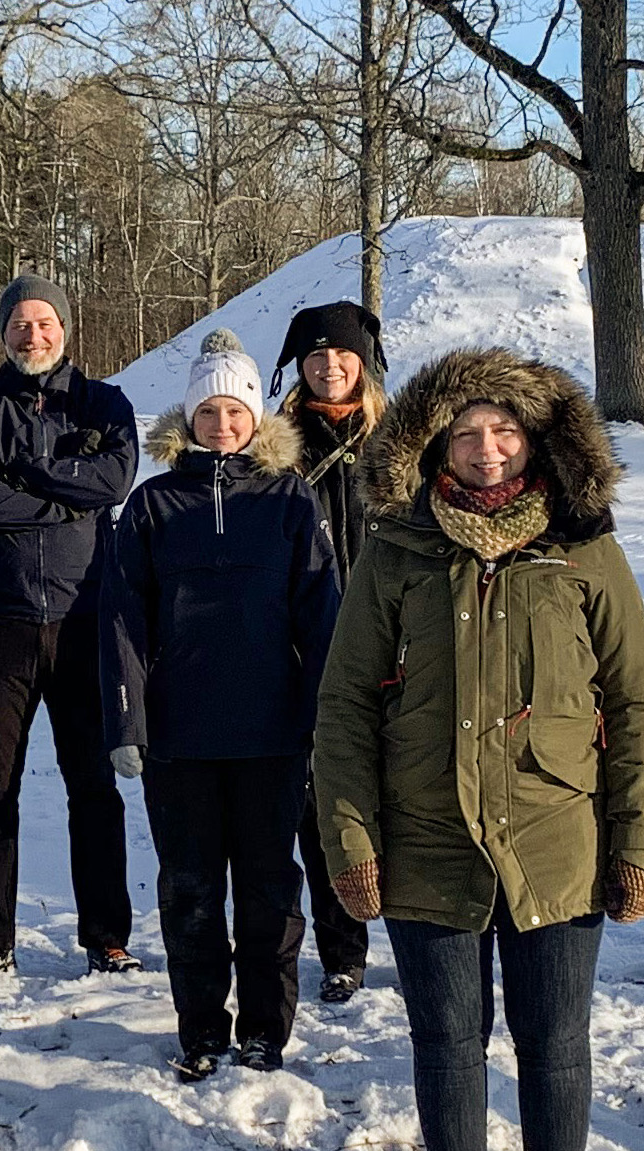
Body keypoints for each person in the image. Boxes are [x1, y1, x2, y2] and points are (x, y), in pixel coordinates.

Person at [316, 348, 644, 1151]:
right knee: (447, 1041)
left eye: (504, 431)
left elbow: (635, 705)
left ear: (537, 442)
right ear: (435, 442)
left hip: (558, 838)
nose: (485, 449)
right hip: (427, 839)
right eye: (466, 432)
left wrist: (639, 843)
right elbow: (345, 705)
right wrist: (350, 842)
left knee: (556, 1043)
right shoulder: (397, 550)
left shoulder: (584, 549)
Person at [106, 330, 341, 1081]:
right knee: (191, 891)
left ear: (255, 415)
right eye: (207, 410)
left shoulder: (289, 498)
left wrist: (323, 719)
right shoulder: (152, 505)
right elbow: (122, 621)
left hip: (272, 732)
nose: (221, 423)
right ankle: (202, 1026)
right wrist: (126, 721)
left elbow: (323, 614)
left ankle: (265, 1029)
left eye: (234, 409)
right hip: (180, 737)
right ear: (189, 417)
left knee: (271, 890)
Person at [0, 274, 142, 986]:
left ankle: (107, 937)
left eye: (45, 322)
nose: (34, 335)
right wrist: (61, 501)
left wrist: (26, 472)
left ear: (66, 328)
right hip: (2, 623)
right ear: (3, 333)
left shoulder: (104, 403)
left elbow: (112, 481)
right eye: (20, 323)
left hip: (86, 621)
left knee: (94, 788)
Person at [275, 300, 388, 1003]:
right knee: (320, 806)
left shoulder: (401, 445)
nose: (329, 364)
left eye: (341, 353)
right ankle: (342, 947)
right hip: (302, 647)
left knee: (397, 799)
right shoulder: (276, 444)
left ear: (363, 361)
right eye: (316, 355)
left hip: (387, 644)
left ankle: (412, 930)